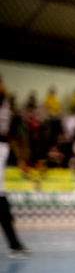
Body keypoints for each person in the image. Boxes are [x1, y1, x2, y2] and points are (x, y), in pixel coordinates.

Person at [0, 88, 30, 259]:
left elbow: (10, 135)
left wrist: (19, 159)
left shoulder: (6, 106)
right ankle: (14, 244)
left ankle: (14, 244)